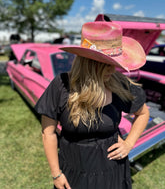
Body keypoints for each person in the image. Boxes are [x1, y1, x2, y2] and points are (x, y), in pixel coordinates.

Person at [35, 21, 149, 189]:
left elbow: (143, 113)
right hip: (74, 170)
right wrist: (56, 173)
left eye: (115, 62)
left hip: (112, 171)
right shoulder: (61, 85)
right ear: (89, 61)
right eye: (106, 63)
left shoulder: (118, 83)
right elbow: (48, 134)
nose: (114, 68)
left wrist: (129, 144)